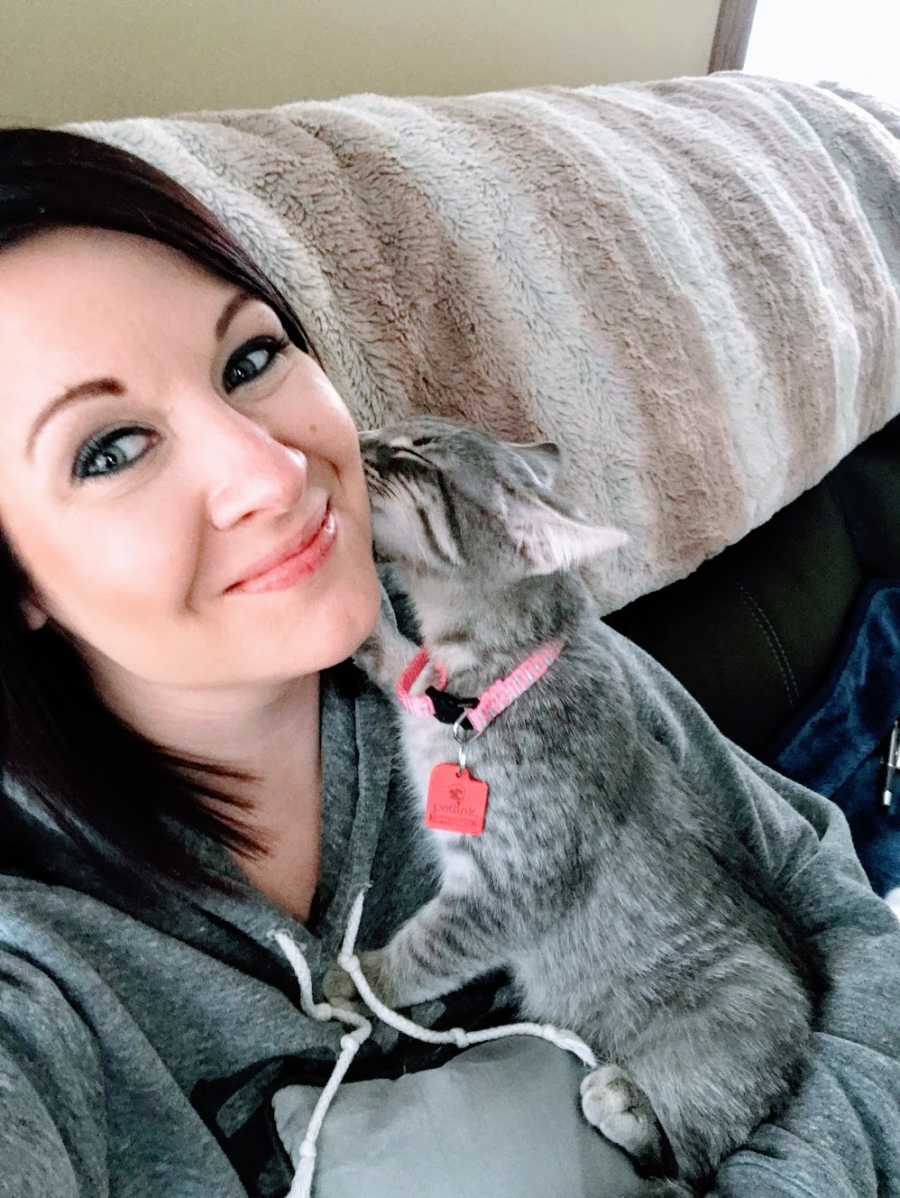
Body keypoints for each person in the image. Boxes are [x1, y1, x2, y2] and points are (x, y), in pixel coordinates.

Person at [0, 127, 897, 1198]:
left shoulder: (522, 647)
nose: (276, 474)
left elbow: (831, 910)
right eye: (110, 449)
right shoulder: (39, 968)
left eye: (249, 360)